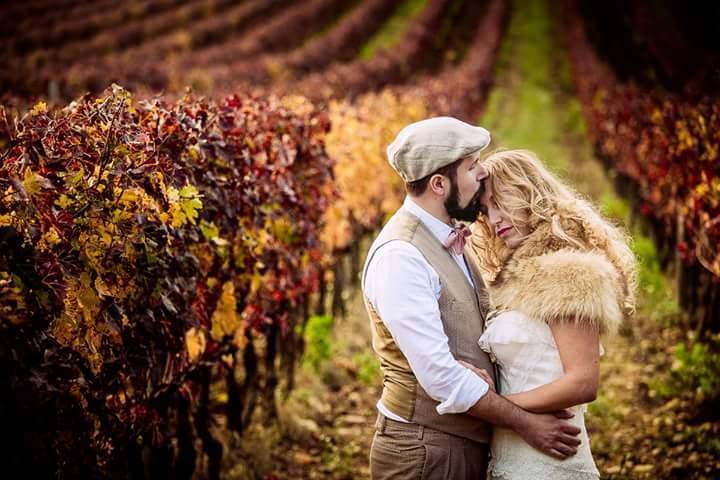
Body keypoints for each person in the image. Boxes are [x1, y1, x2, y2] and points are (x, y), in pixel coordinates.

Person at [362, 118, 582, 480]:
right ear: (438, 184)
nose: (483, 173)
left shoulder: (447, 236)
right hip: (425, 453)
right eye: (471, 165)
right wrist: (526, 423)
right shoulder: (400, 256)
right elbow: (441, 378)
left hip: (456, 444)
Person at [468, 149, 638, 479]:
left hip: (551, 461)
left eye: (500, 202)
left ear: (529, 192)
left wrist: (496, 406)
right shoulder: (517, 272)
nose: (495, 219)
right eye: (486, 211)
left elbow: (582, 382)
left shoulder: (568, 271)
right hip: (513, 454)